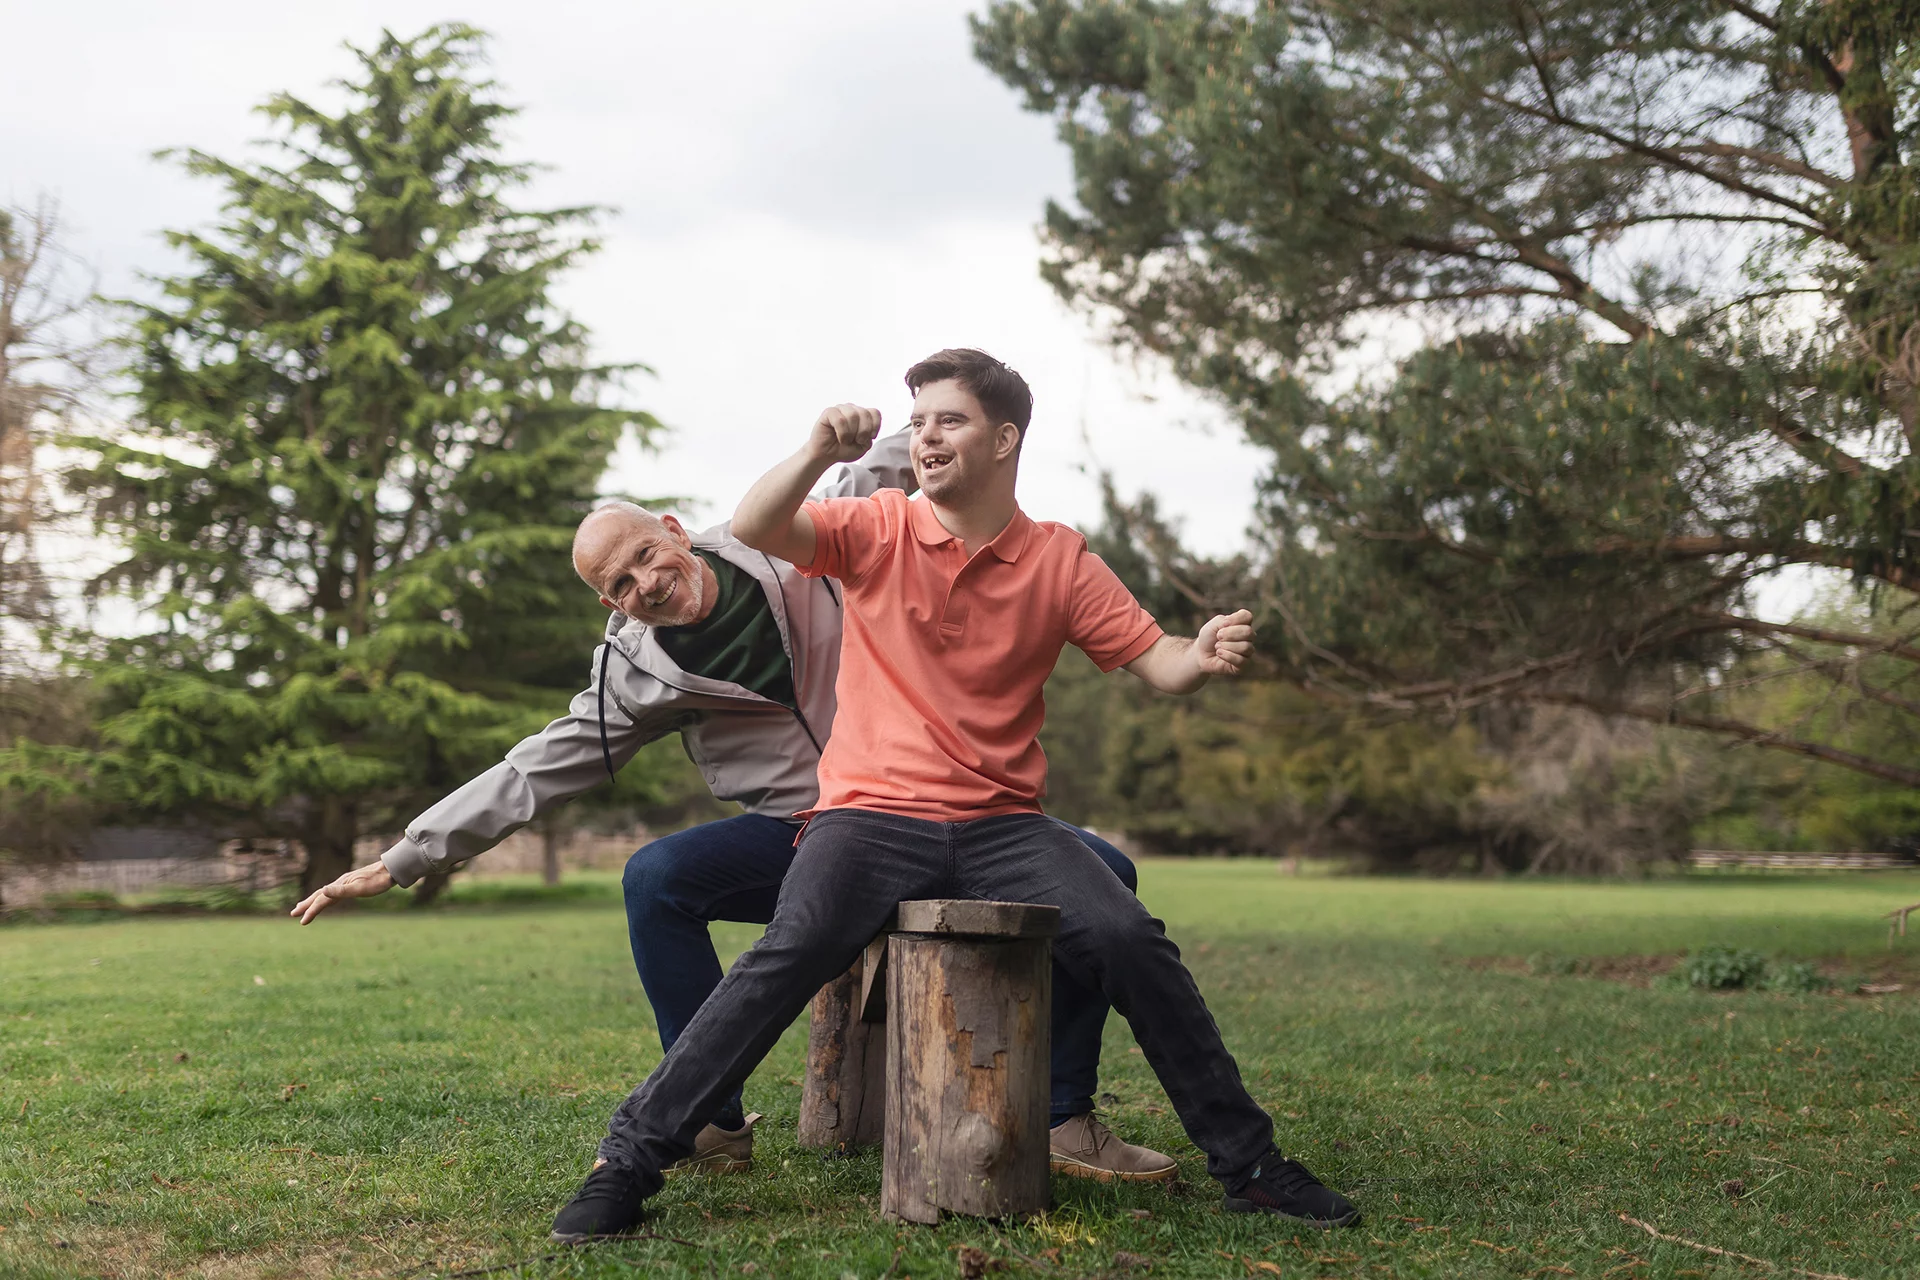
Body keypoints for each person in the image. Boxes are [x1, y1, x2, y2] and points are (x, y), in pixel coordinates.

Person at [550, 349, 1360, 1241]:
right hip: (867, 816)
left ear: (1004, 439)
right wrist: (818, 451)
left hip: (1003, 824)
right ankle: (628, 1161)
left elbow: (1157, 659)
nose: (926, 436)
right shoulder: (878, 527)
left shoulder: (1060, 560)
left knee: (1128, 936)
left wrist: (1196, 656)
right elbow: (756, 523)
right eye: (919, 421)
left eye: (950, 419)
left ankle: (1251, 1166)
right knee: (793, 947)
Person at [288, 428, 1175, 1183]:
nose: (645, 583)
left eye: (645, 555)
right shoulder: (638, 674)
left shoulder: (788, 543)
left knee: (1108, 871)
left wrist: (943, 418)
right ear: (610, 604)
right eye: (620, 584)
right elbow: (535, 769)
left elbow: (885, 461)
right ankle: (711, 1118)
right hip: (802, 835)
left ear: (674, 532)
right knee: (657, 877)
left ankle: (1063, 1115)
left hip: (930, 803)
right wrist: (407, 856)